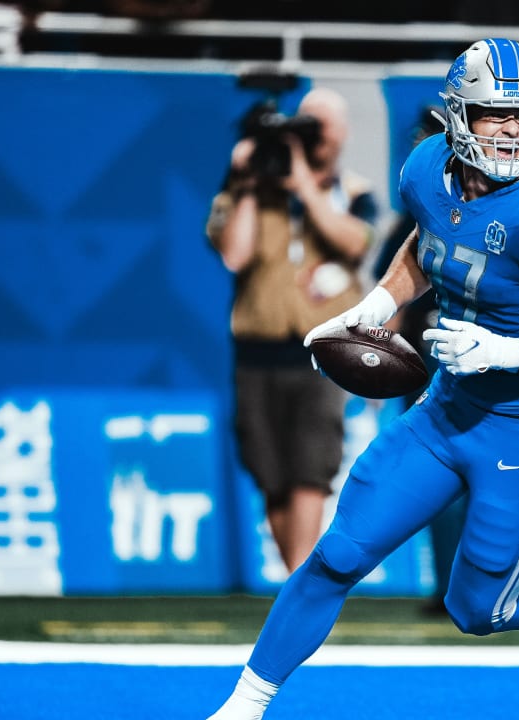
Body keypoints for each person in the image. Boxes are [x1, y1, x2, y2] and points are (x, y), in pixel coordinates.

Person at [205, 37, 519, 719]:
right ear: (457, 117)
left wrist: (505, 352)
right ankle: (244, 705)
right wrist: (379, 303)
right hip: (446, 411)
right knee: (337, 555)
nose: (512, 131)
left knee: (478, 610)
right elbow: (430, 241)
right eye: (493, 115)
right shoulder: (425, 169)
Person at [205, 87, 378, 575]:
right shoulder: (251, 195)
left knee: (310, 469)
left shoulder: (354, 191)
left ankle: (300, 578)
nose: (311, 137)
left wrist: (305, 182)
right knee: (271, 474)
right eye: (305, 125)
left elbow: (355, 242)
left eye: (321, 127)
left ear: (341, 135)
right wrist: (243, 180)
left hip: (321, 352)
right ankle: (296, 579)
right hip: (256, 352)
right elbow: (234, 254)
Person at [371, 104, 465, 616]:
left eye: (430, 138)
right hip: (430, 358)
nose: (420, 147)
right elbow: (390, 307)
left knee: (489, 474)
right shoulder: (411, 222)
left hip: (485, 356)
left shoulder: (491, 209)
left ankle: (479, 583)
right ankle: (452, 584)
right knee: (439, 476)